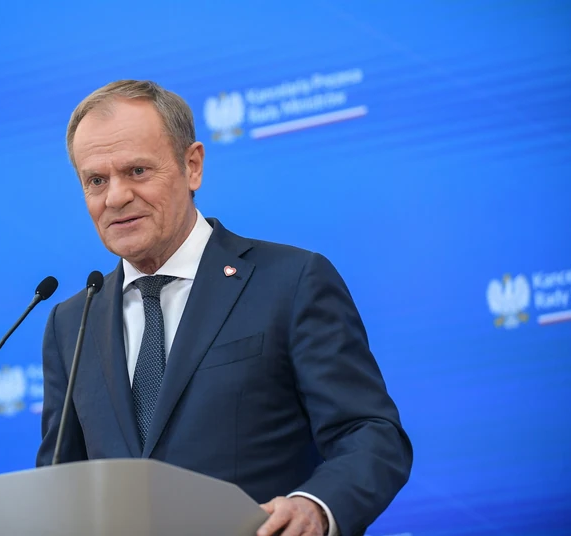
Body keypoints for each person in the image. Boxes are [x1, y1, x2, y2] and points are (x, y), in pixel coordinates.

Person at [36, 80, 413, 536]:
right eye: (96, 180)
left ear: (192, 166)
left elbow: (369, 433)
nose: (115, 197)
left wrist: (315, 507)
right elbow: (62, 483)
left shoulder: (291, 281)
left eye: (137, 171)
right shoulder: (71, 322)